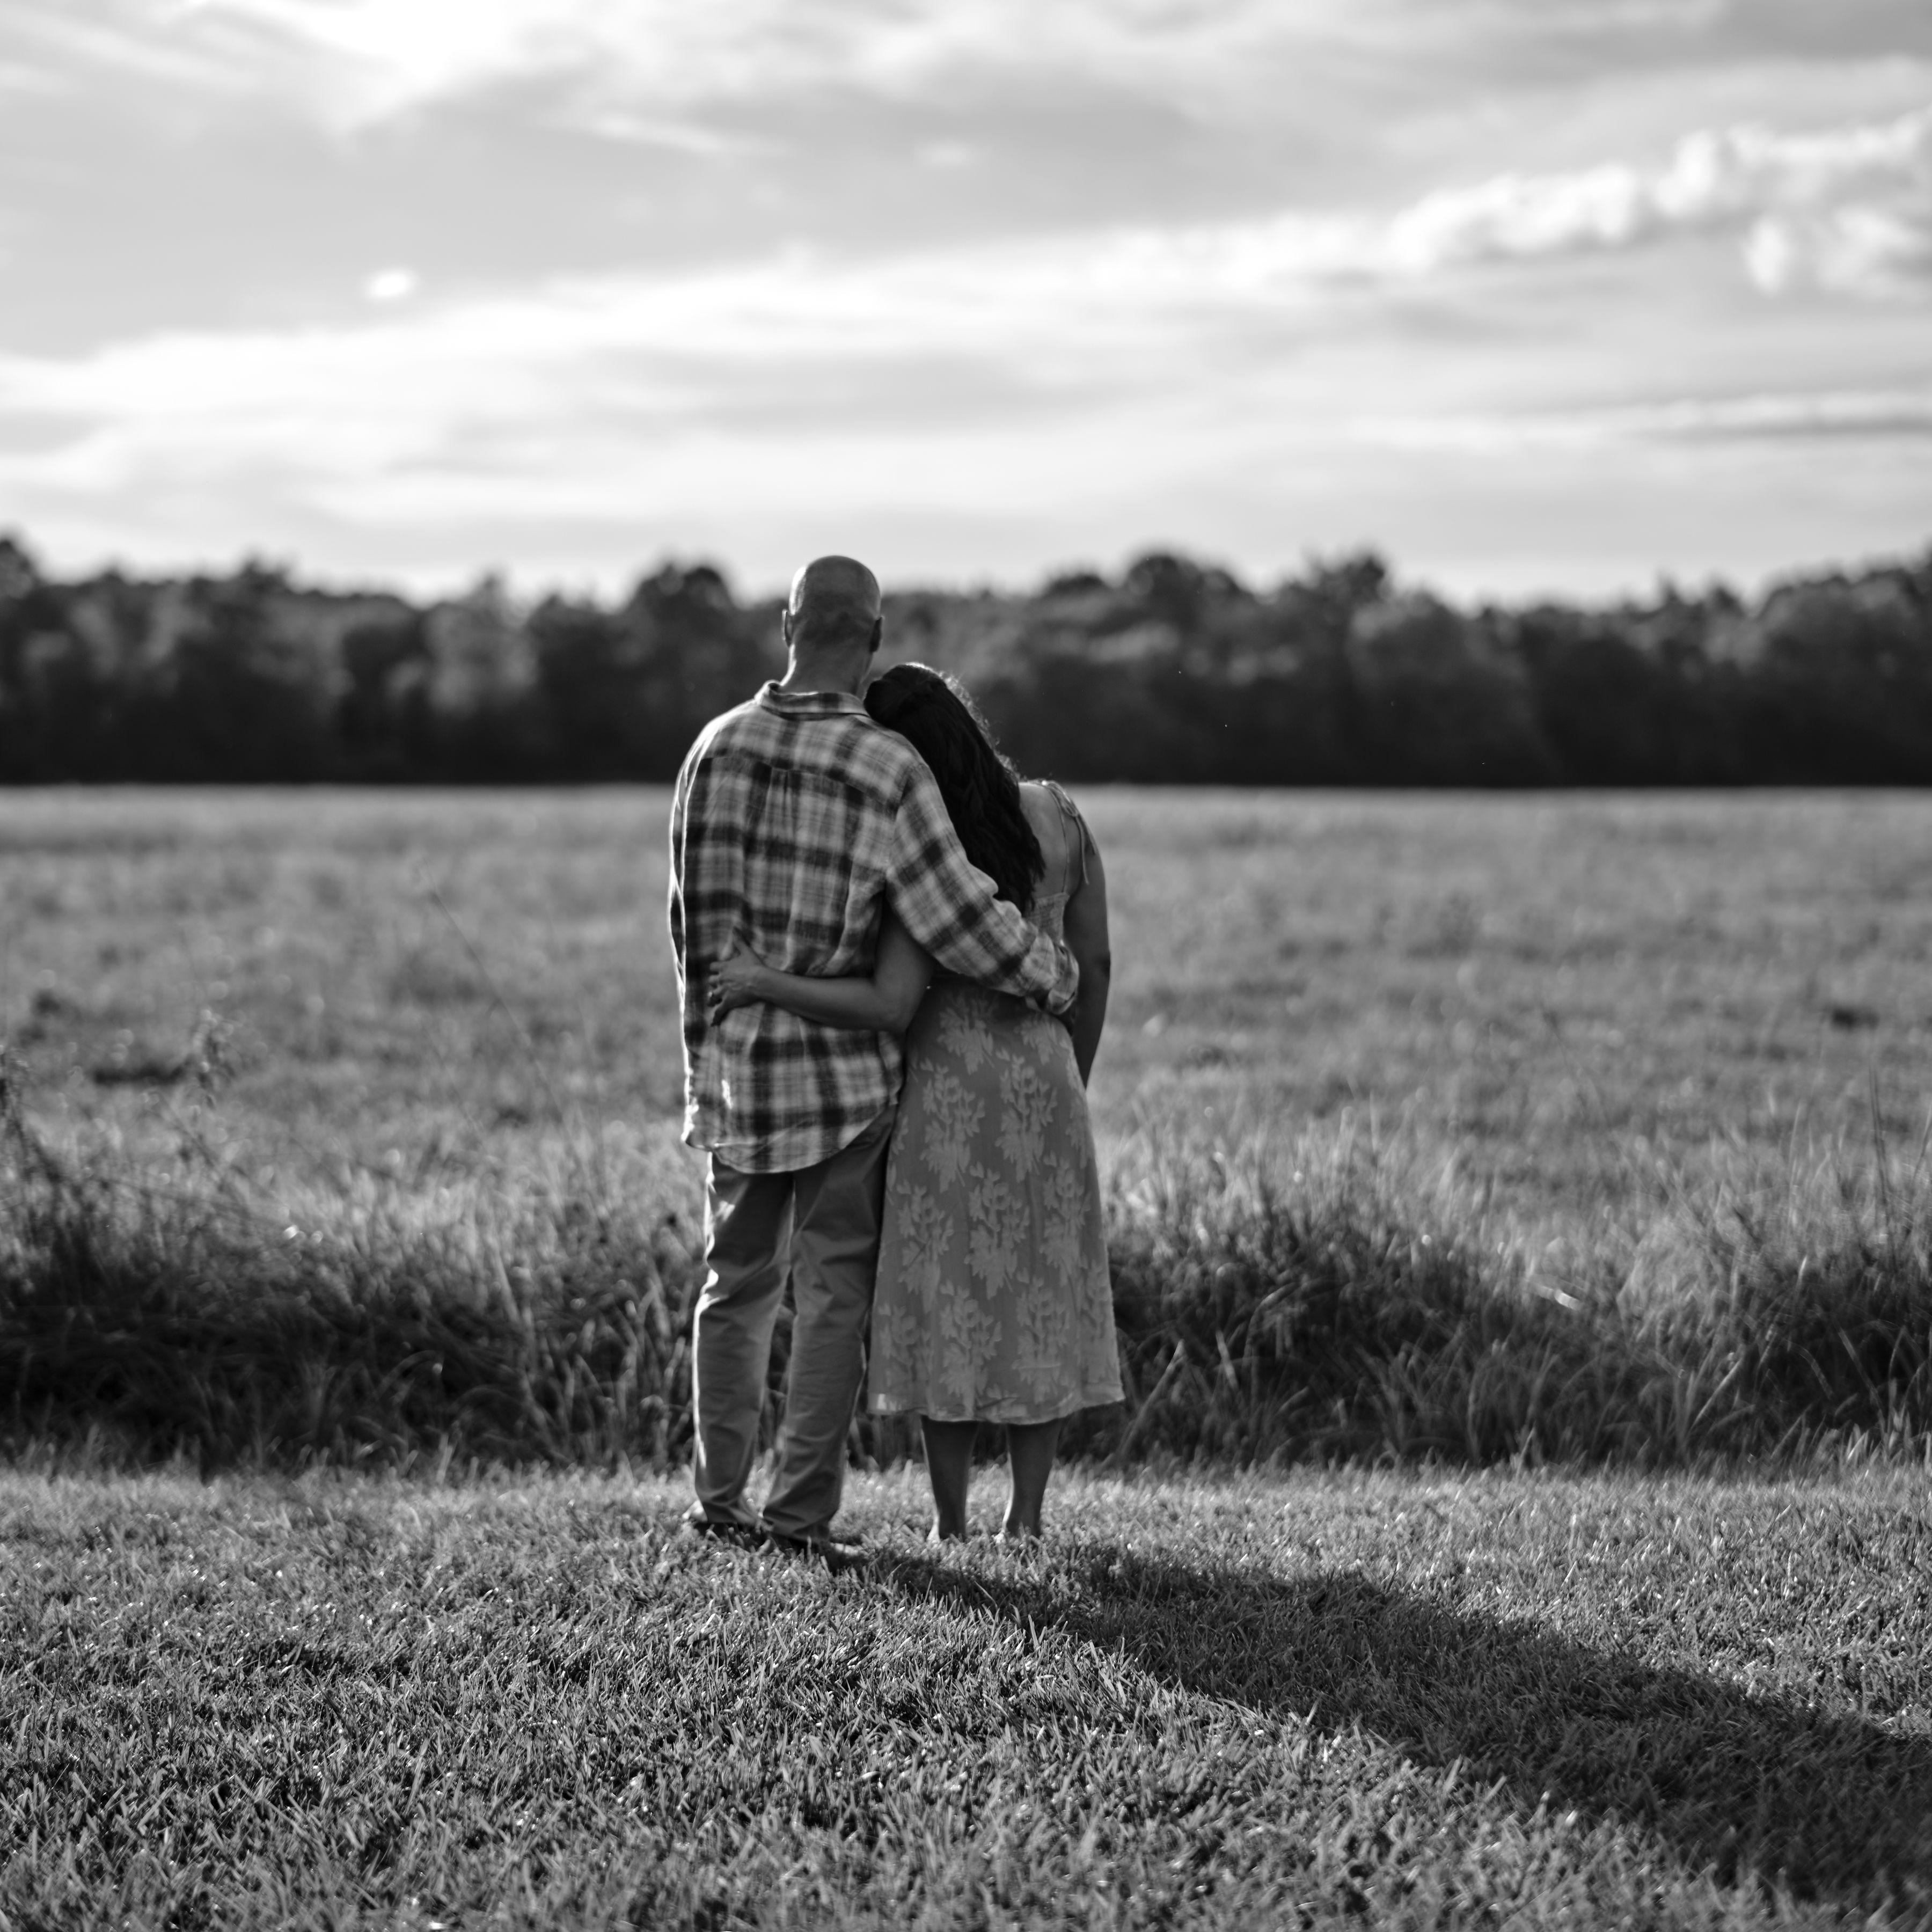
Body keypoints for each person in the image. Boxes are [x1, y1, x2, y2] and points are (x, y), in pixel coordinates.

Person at [669, 559, 1079, 1565]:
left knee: (733, 1286)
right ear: (876, 637)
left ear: (788, 625)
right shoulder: (888, 768)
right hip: (845, 1084)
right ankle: (797, 1516)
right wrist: (1052, 972)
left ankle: (718, 1502)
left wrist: (710, 1047)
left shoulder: (713, 748)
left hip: (739, 1077)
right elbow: (961, 916)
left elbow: (688, 926)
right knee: (831, 1299)